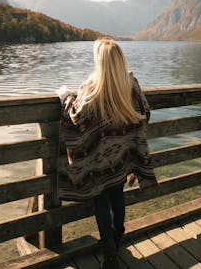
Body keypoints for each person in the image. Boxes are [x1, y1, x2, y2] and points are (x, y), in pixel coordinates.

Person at [56, 38, 157, 269]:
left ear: (99, 61)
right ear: (120, 59)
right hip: (122, 155)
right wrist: (131, 141)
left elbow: (76, 116)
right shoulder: (131, 82)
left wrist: (64, 94)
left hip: (100, 158)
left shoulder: (91, 87)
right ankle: (118, 235)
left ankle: (109, 250)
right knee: (117, 194)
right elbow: (145, 110)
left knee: (100, 200)